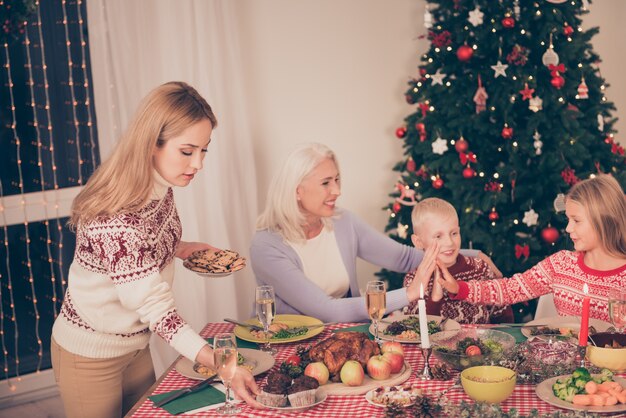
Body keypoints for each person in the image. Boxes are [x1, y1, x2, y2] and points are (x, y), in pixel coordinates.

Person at [50, 82, 262, 418]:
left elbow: (145, 246)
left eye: (204, 150)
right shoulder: (115, 219)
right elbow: (158, 311)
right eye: (187, 150)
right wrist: (226, 366)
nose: (198, 164)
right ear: (152, 144)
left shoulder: (158, 185)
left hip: (135, 347)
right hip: (90, 356)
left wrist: (183, 247)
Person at [249, 142, 501, 323]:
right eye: (326, 183)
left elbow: (404, 258)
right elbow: (327, 311)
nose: (337, 190)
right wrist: (410, 293)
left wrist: (472, 254)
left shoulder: (342, 222)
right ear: (297, 190)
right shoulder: (267, 246)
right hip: (287, 347)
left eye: (337, 180)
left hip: (341, 337)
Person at [437, 175, 626, 322]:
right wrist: (461, 289)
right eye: (568, 220)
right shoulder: (561, 264)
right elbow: (511, 289)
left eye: (576, 220)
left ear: (603, 221)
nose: (568, 229)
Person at [402, 197, 514, 324]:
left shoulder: (480, 269)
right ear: (418, 242)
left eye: (454, 233)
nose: (449, 242)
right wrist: (435, 298)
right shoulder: (413, 280)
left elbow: (503, 313)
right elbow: (414, 331)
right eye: (438, 236)